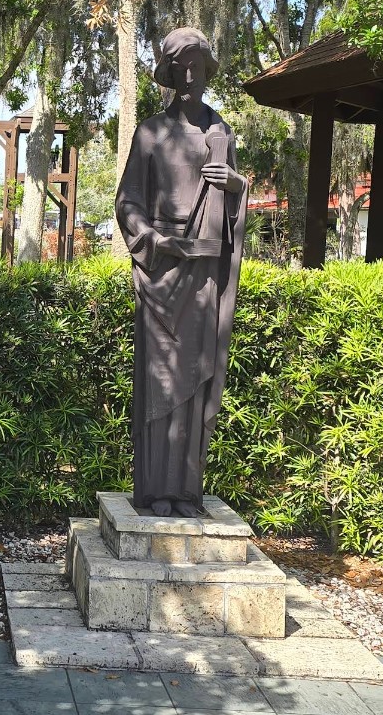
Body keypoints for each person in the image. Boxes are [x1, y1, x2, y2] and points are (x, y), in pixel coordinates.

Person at [114, 27, 248, 518]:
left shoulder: (220, 133)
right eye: (182, 66)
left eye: (199, 65)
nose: (191, 76)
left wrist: (235, 184)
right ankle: (155, 491)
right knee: (159, 381)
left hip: (204, 270)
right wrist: (153, 239)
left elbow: (235, 204)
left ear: (208, 70)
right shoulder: (149, 133)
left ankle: (185, 491)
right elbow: (127, 200)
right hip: (161, 269)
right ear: (170, 74)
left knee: (192, 377)